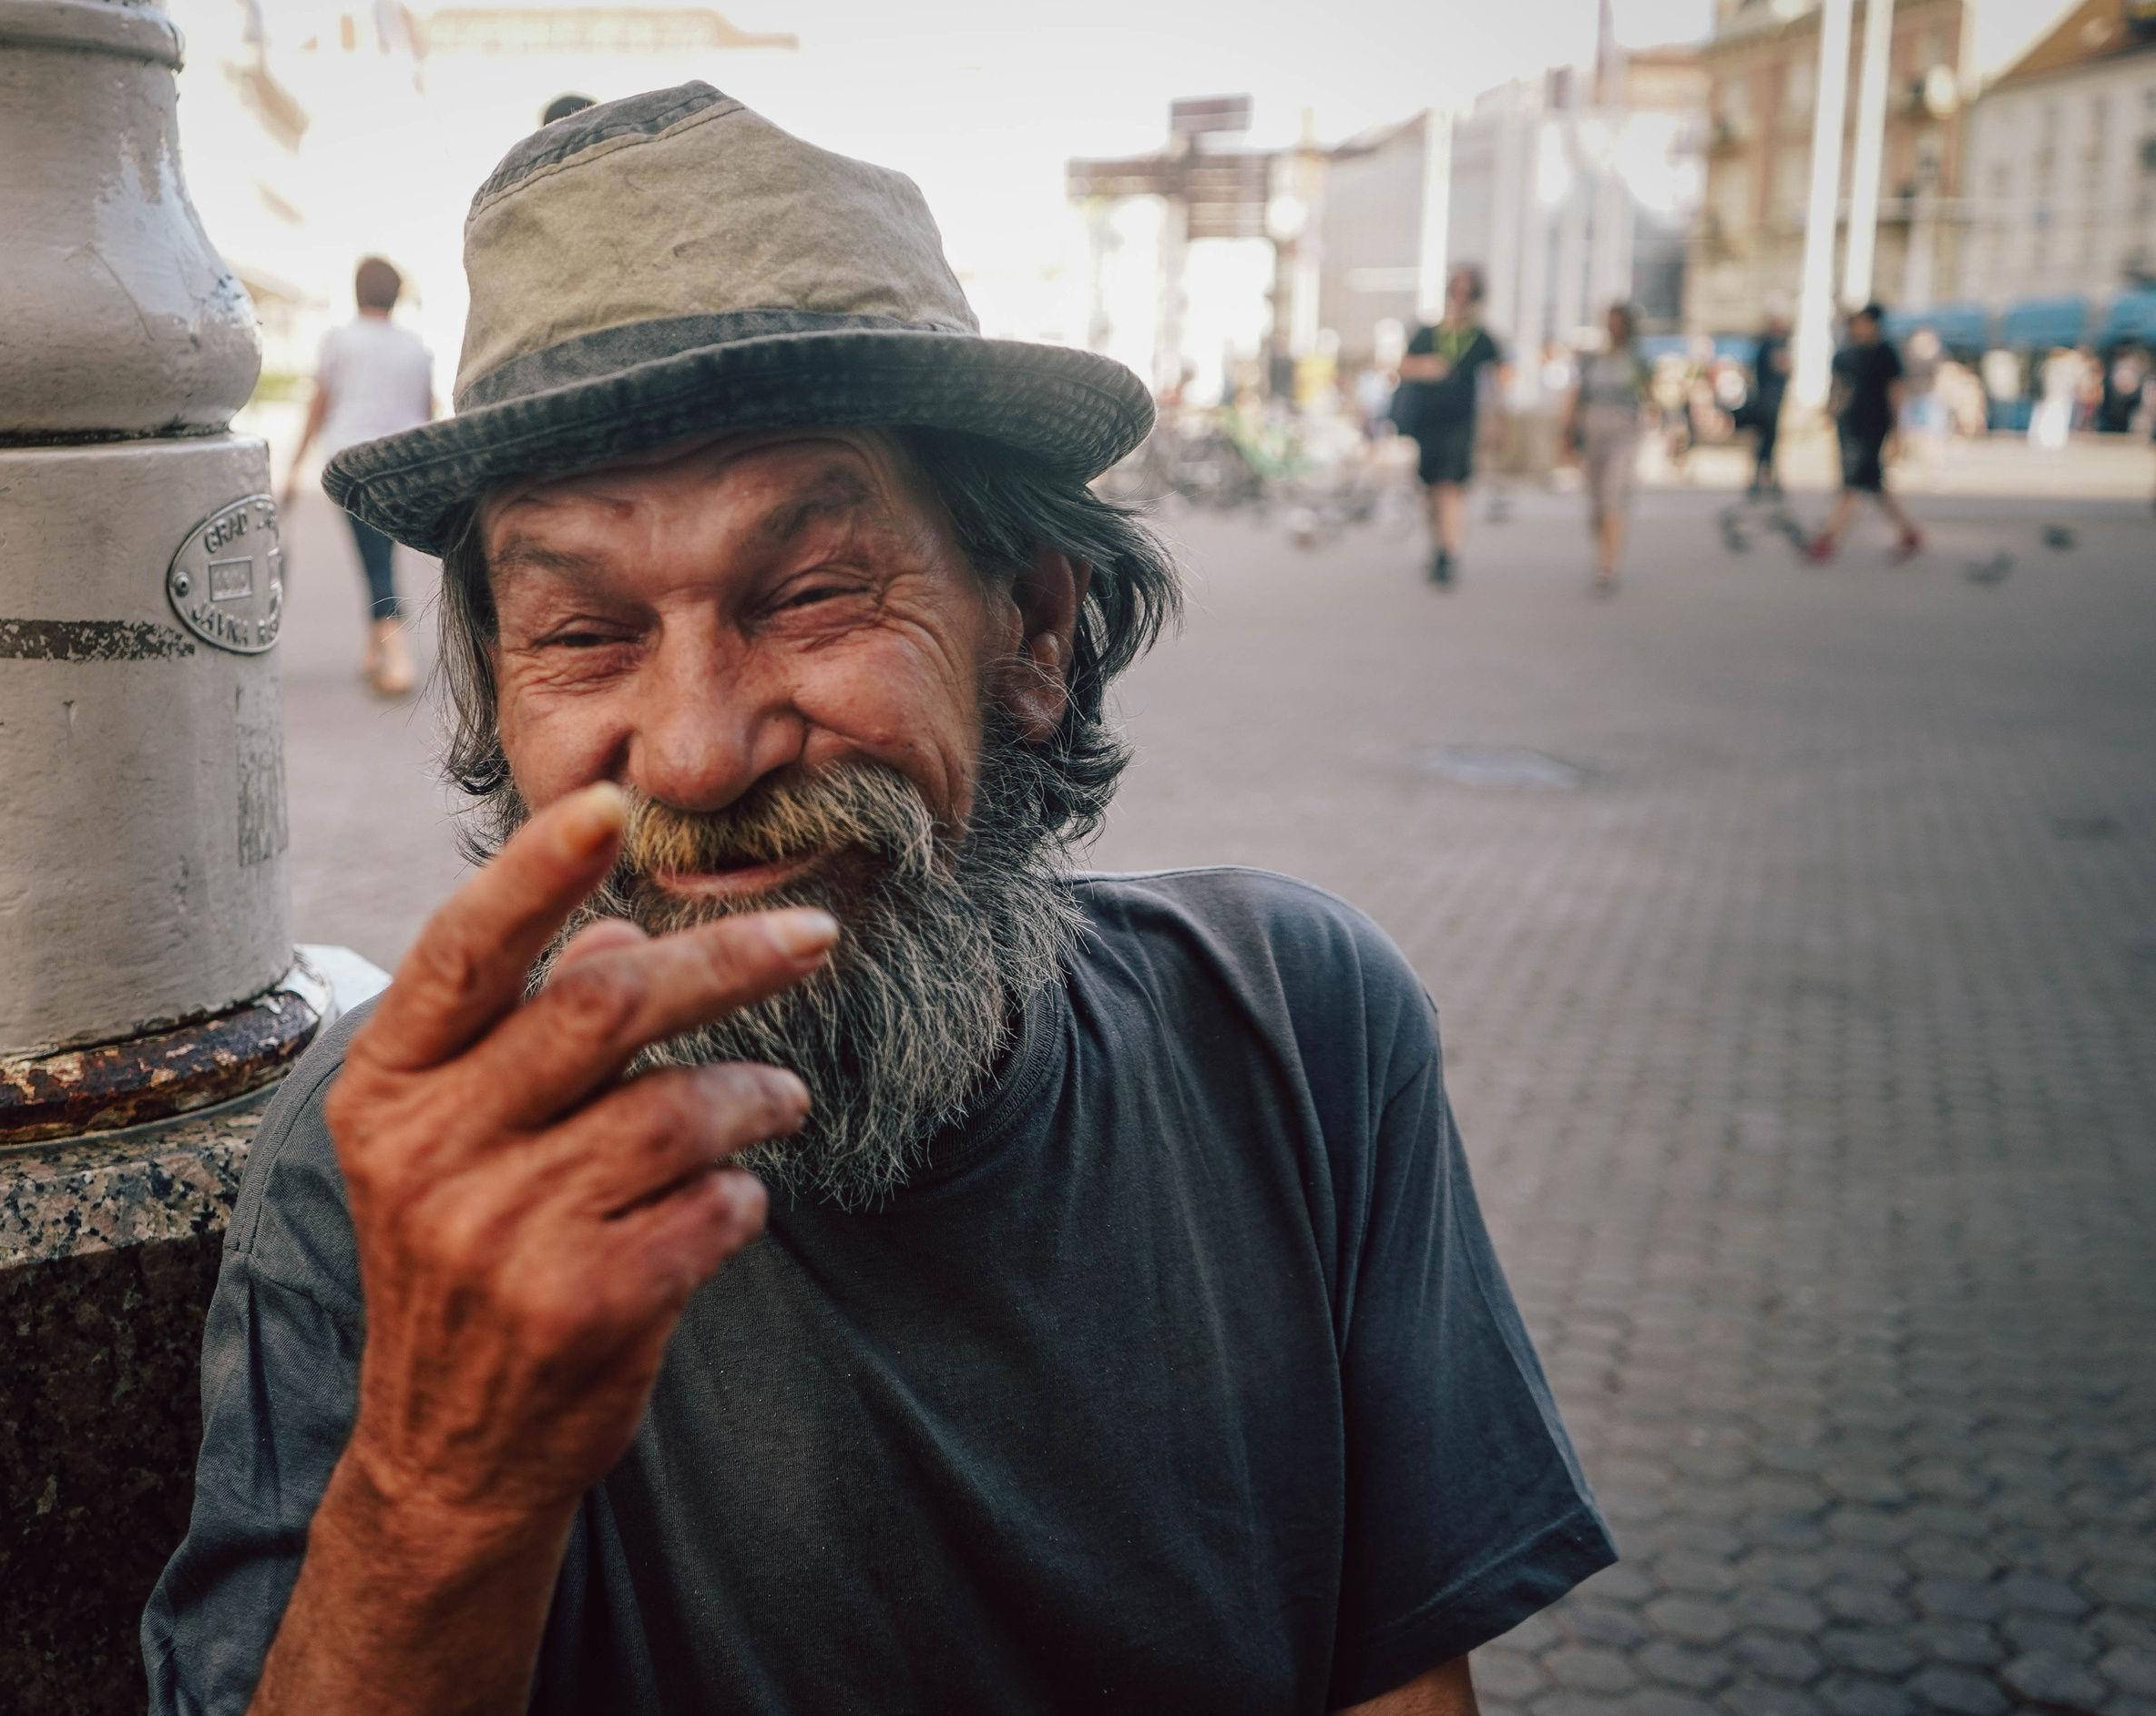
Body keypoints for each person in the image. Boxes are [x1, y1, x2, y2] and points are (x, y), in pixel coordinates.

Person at [144, 84, 1612, 1716]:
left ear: (1037, 628)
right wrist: (442, 1482)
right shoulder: (389, 1169)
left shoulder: (1294, 1021)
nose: (698, 753)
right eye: (583, 632)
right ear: (502, 703)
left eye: (817, 592)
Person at [283, 257, 435, 696]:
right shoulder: (416, 346)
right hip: (404, 462)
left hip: (352, 464)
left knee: (376, 561)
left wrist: (294, 467)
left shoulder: (339, 341)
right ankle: (374, 652)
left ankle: (399, 658)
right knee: (379, 554)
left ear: (357, 292)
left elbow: (320, 405)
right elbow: (425, 411)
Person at [1397, 265, 1500, 586]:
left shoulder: (1482, 338)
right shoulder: (1429, 332)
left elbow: (1497, 384)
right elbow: (1403, 365)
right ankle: (1437, 547)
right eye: (1456, 290)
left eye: (1467, 292)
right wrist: (1427, 367)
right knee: (1430, 490)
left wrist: (1497, 427)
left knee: (1451, 487)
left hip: (1460, 422)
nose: (1461, 298)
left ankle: (1449, 553)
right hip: (1427, 422)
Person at [1807, 302, 1924, 563]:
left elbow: (1895, 392)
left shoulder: (1884, 354)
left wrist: (1897, 430)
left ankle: (1828, 538)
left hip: (1872, 429)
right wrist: (1826, 414)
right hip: (1848, 428)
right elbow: (1836, 391)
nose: (1856, 327)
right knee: (1874, 484)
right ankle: (1910, 532)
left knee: (1852, 484)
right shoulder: (1845, 355)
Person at [1564, 302, 1651, 597]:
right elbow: (1576, 398)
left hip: (1623, 431)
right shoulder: (1592, 360)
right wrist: (1566, 435)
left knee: (1614, 495)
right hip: (1592, 431)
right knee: (1595, 503)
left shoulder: (1637, 360)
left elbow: (1652, 397)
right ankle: (1602, 551)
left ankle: (1608, 566)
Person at [1746, 311, 1792, 495]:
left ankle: (1764, 480)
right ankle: (1765, 481)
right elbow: (1783, 366)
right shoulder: (1773, 344)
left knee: (1766, 440)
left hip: (1766, 399)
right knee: (1768, 439)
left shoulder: (1765, 344)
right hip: (1769, 401)